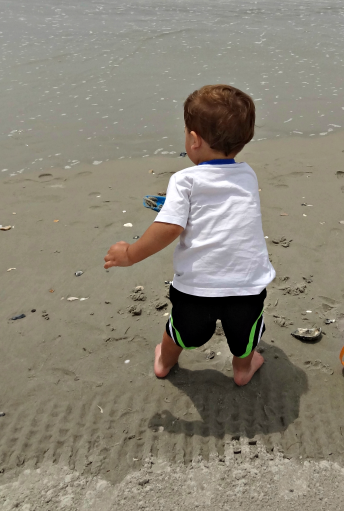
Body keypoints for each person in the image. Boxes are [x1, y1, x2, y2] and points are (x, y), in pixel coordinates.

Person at [104, 84, 275, 386]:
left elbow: (169, 227)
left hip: (196, 289)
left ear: (194, 140)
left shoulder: (184, 180)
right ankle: (242, 370)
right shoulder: (248, 175)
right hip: (247, 287)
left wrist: (130, 255)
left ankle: (164, 362)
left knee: (180, 332)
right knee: (243, 337)